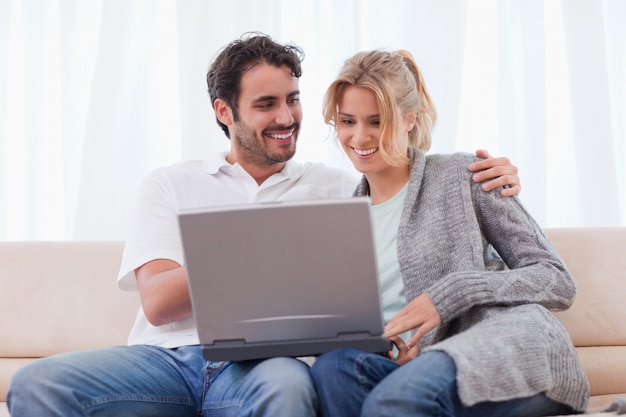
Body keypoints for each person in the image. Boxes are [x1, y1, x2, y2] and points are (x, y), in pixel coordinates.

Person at [7, 34, 522, 417]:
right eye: (266, 104)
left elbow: (409, 196)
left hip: (267, 366)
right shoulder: (169, 184)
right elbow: (160, 304)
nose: (287, 117)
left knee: (289, 389)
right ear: (224, 111)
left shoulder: (341, 188)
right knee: (34, 385)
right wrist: (259, 249)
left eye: (293, 99)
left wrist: (491, 177)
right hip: (166, 360)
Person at [308, 49, 590, 417]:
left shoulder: (464, 176)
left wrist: (453, 292)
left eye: (377, 121)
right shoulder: (346, 220)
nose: (360, 137)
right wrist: (391, 348)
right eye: (347, 121)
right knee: (333, 370)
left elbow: (557, 281)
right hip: (416, 369)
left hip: (504, 346)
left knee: (393, 401)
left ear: (409, 119)